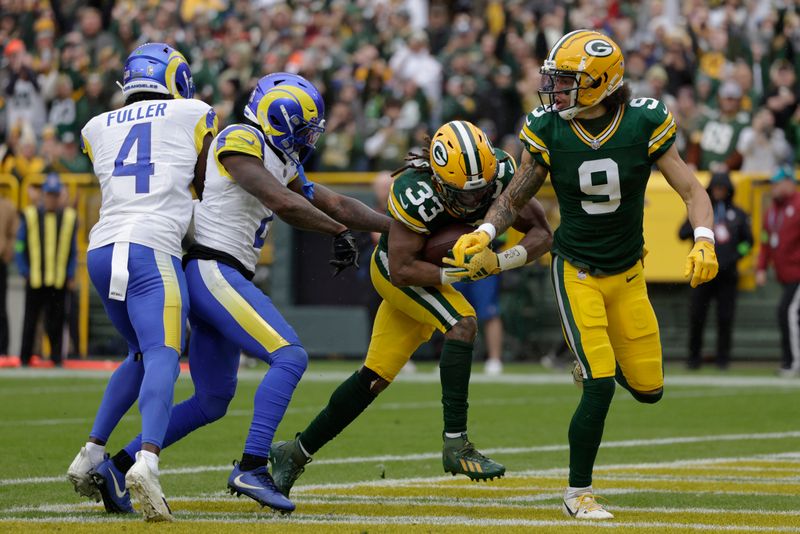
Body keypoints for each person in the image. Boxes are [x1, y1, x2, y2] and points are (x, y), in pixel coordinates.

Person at [85, 73, 387, 515]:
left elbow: (337, 204)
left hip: (221, 273)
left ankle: (118, 466)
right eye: (303, 130)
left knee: (212, 399)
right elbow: (280, 202)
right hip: (211, 267)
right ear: (277, 118)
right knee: (290, 356)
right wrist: (337, 231)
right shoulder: (240, 139)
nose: (307, 140)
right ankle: (251, 465)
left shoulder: (281, 160)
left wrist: (398, 227)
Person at [450, 30, 719, 519]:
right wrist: (487, 231)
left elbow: (692, 191)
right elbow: (514, 195)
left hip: (629, 272)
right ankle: (578, 494)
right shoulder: (549, 128)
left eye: (566, 81)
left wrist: (705, 238)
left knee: (650, 391)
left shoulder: (644, 121)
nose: (555, 90)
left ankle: (589, 363)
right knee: (598, 384)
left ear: (600, 83)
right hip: (576, 269)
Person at [268, 120, 553, 499]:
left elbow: (542, 234)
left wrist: (502, 262)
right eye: (461, 193)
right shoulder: (413, 191)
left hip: (433, 273)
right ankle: (456, 443)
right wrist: (459, 271)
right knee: (463, 323)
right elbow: (402, 269)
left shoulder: (500, 172)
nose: (472, 201)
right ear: (438, 178)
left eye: (479, 192)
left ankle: (294, 453)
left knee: (374, 378)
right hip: (398, 272)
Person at [66, 43, 219, 522]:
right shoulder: (194, 112)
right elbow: (205, 182)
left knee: (137, 351)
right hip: (152, 247)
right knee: (163, 353)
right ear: (174, 79)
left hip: (104, 247)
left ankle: (92, 451)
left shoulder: (95, 126)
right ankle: (147, 459)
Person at [679, 171, 753, 370]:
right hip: (702, 275)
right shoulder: (701, 213)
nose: (719, 191)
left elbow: (749, 243)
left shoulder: (738, 214)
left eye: (723, 188)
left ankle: (723, 359)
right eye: (716, 188)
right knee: (696, 316)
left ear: (729, 190)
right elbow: (682, 233)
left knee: (725, 317)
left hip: (727, 275)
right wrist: (696, 226)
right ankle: (693, 358)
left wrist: (735, 256)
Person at [15, 173, 76, 366]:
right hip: (34, 278)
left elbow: (72, 249)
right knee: (30, 322)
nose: (51, 199)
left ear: (59, 196)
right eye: (49, 194)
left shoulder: (67, 218)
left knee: (56, 322)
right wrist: (23, 269)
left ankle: (57, 358)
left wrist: (70, 273)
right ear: (43, 195)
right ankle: (25, 358)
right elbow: (19, 245)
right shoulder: (31, 215)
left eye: (55, 195)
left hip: (58, 280)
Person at [756, 166, 800, 377]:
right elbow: (765, 243)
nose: (774, 187)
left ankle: (792, 363)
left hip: (798, 275)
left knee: (787, 312)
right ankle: (790, 360)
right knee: (789, 314)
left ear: (790, 182)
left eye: (777, 183)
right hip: (786, 275)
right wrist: (761, 268)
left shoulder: (798, 205)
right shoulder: (771, 211)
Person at [0, 194, 17, 355]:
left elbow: (14, 236)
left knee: (1, 308)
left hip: (0, 262)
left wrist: (7, 255)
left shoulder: (7, 206)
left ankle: (3, 350)